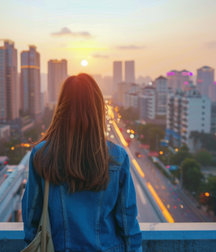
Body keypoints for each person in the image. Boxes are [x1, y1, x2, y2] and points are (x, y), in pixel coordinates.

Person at [22, 73, 142, 251]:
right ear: (97, 109)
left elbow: (32, 216)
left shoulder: (42, 155)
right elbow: (127, 223)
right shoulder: (117, 157)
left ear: (62, 108)